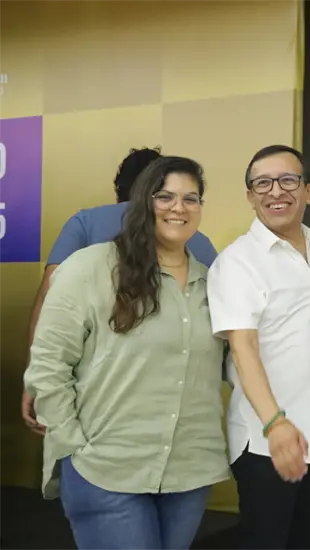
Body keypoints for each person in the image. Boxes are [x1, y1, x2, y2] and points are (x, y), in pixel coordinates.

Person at [23, 156, 230, 550]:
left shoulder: (214, 282)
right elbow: (48, 364)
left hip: (189, 471)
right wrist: (72, 444)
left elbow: (234, 363)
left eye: (191, 198)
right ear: (140, 202)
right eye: (164, 196)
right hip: (106, 469)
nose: (179, 207)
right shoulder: (90, 268)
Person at [21, 147, 218, 435]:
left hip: (94, 409)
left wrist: (34, 377)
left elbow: (50, 301)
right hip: (179, 415)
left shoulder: (86, 223)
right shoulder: (196, 238)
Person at [206, 145, 310, 550]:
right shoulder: (238, 262)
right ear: (250, 196)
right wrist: (275, 423)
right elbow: (242, 349)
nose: (275, 192)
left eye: (287, 180)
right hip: (268, 443)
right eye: (262, 183)